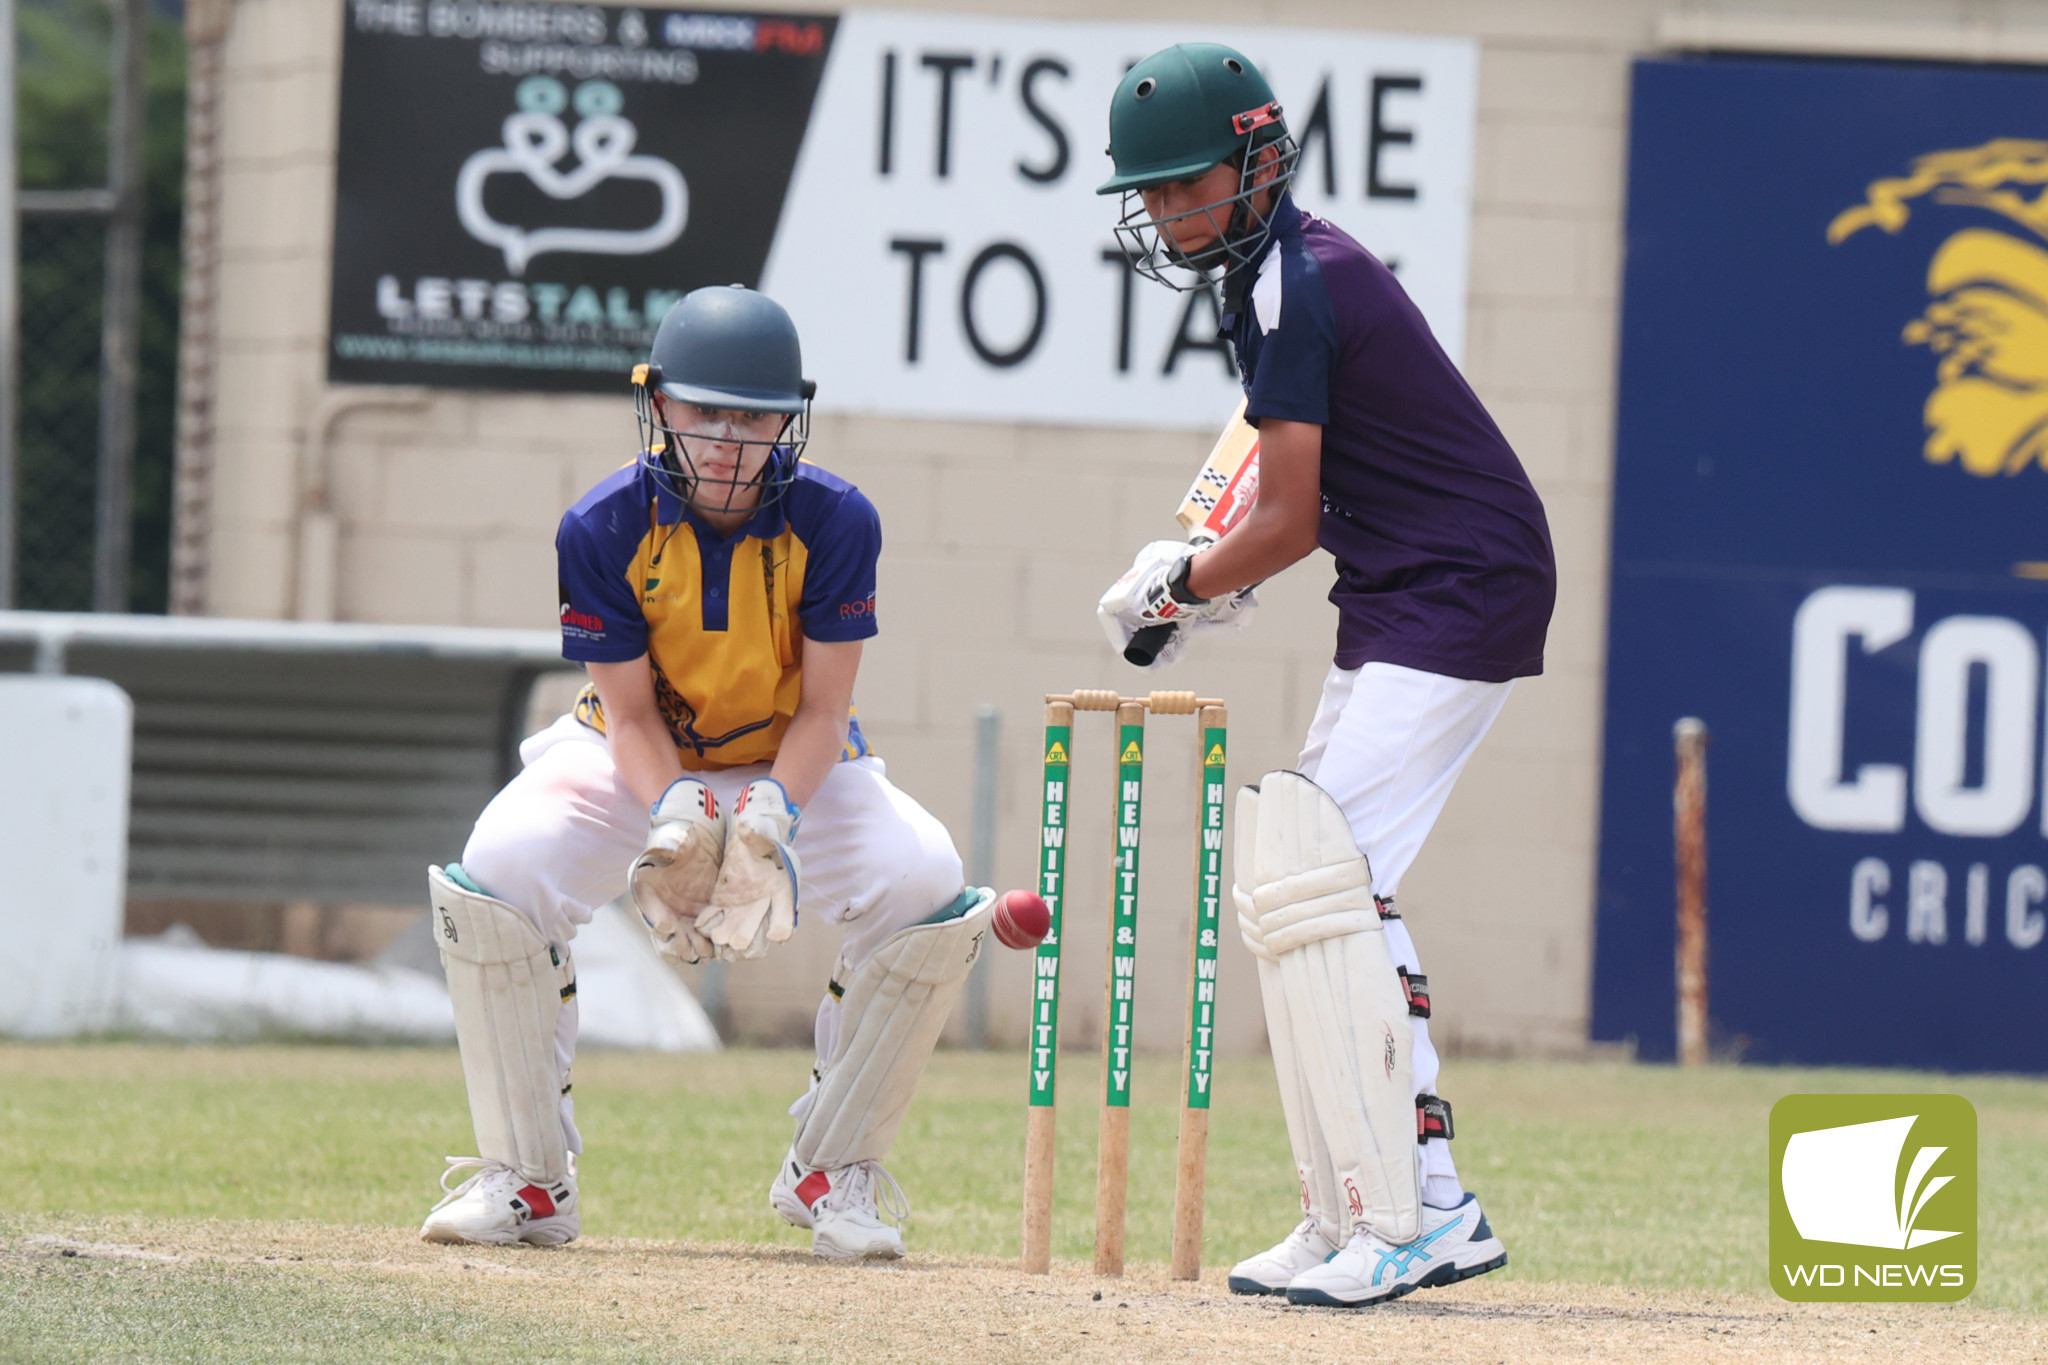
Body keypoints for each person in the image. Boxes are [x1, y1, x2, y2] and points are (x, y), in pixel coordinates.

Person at [1094, 44, 1556, 1307]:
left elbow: (1288, 518)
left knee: (1315, 876)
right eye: (1151, 195)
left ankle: (1411, 1217)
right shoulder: (1263, 279)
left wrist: (1185, 583)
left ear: (1253, 161)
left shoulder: (1302, 279)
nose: (1165, 214)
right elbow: (1275, 481)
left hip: (1460, 585)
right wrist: (1201, 570)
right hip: (1402, 585)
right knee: (1308, 889)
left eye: (1184, 185)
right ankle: (1364, 1204)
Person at [417, 284, 996, 1261]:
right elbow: (632, 714)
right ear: (660, 407)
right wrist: (680, 816)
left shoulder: (837, 520)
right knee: (500, 868)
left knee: (927, 884)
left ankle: (832, 1174)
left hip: (791, 763)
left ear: (789, 419)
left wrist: (767, 819)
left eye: (754, 415)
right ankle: (525, 1179)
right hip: (631, 758)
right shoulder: (600, 525)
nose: (729, 439)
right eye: (705, 413)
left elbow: (822, 711)